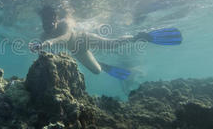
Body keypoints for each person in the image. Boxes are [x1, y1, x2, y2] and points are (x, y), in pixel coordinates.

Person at [30, 5, 182, 80]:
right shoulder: (44, 34)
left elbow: (65, 37)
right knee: (96, 71)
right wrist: (38, 49)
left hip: (85, 38)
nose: (48, 25)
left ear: (56, 19)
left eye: (51, 22)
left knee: (112, 44)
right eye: (45, 22)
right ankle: (102, 64)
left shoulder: (65, 23)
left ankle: (139, 37)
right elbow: (43, 53)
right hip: (78, 51)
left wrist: (46, 44)